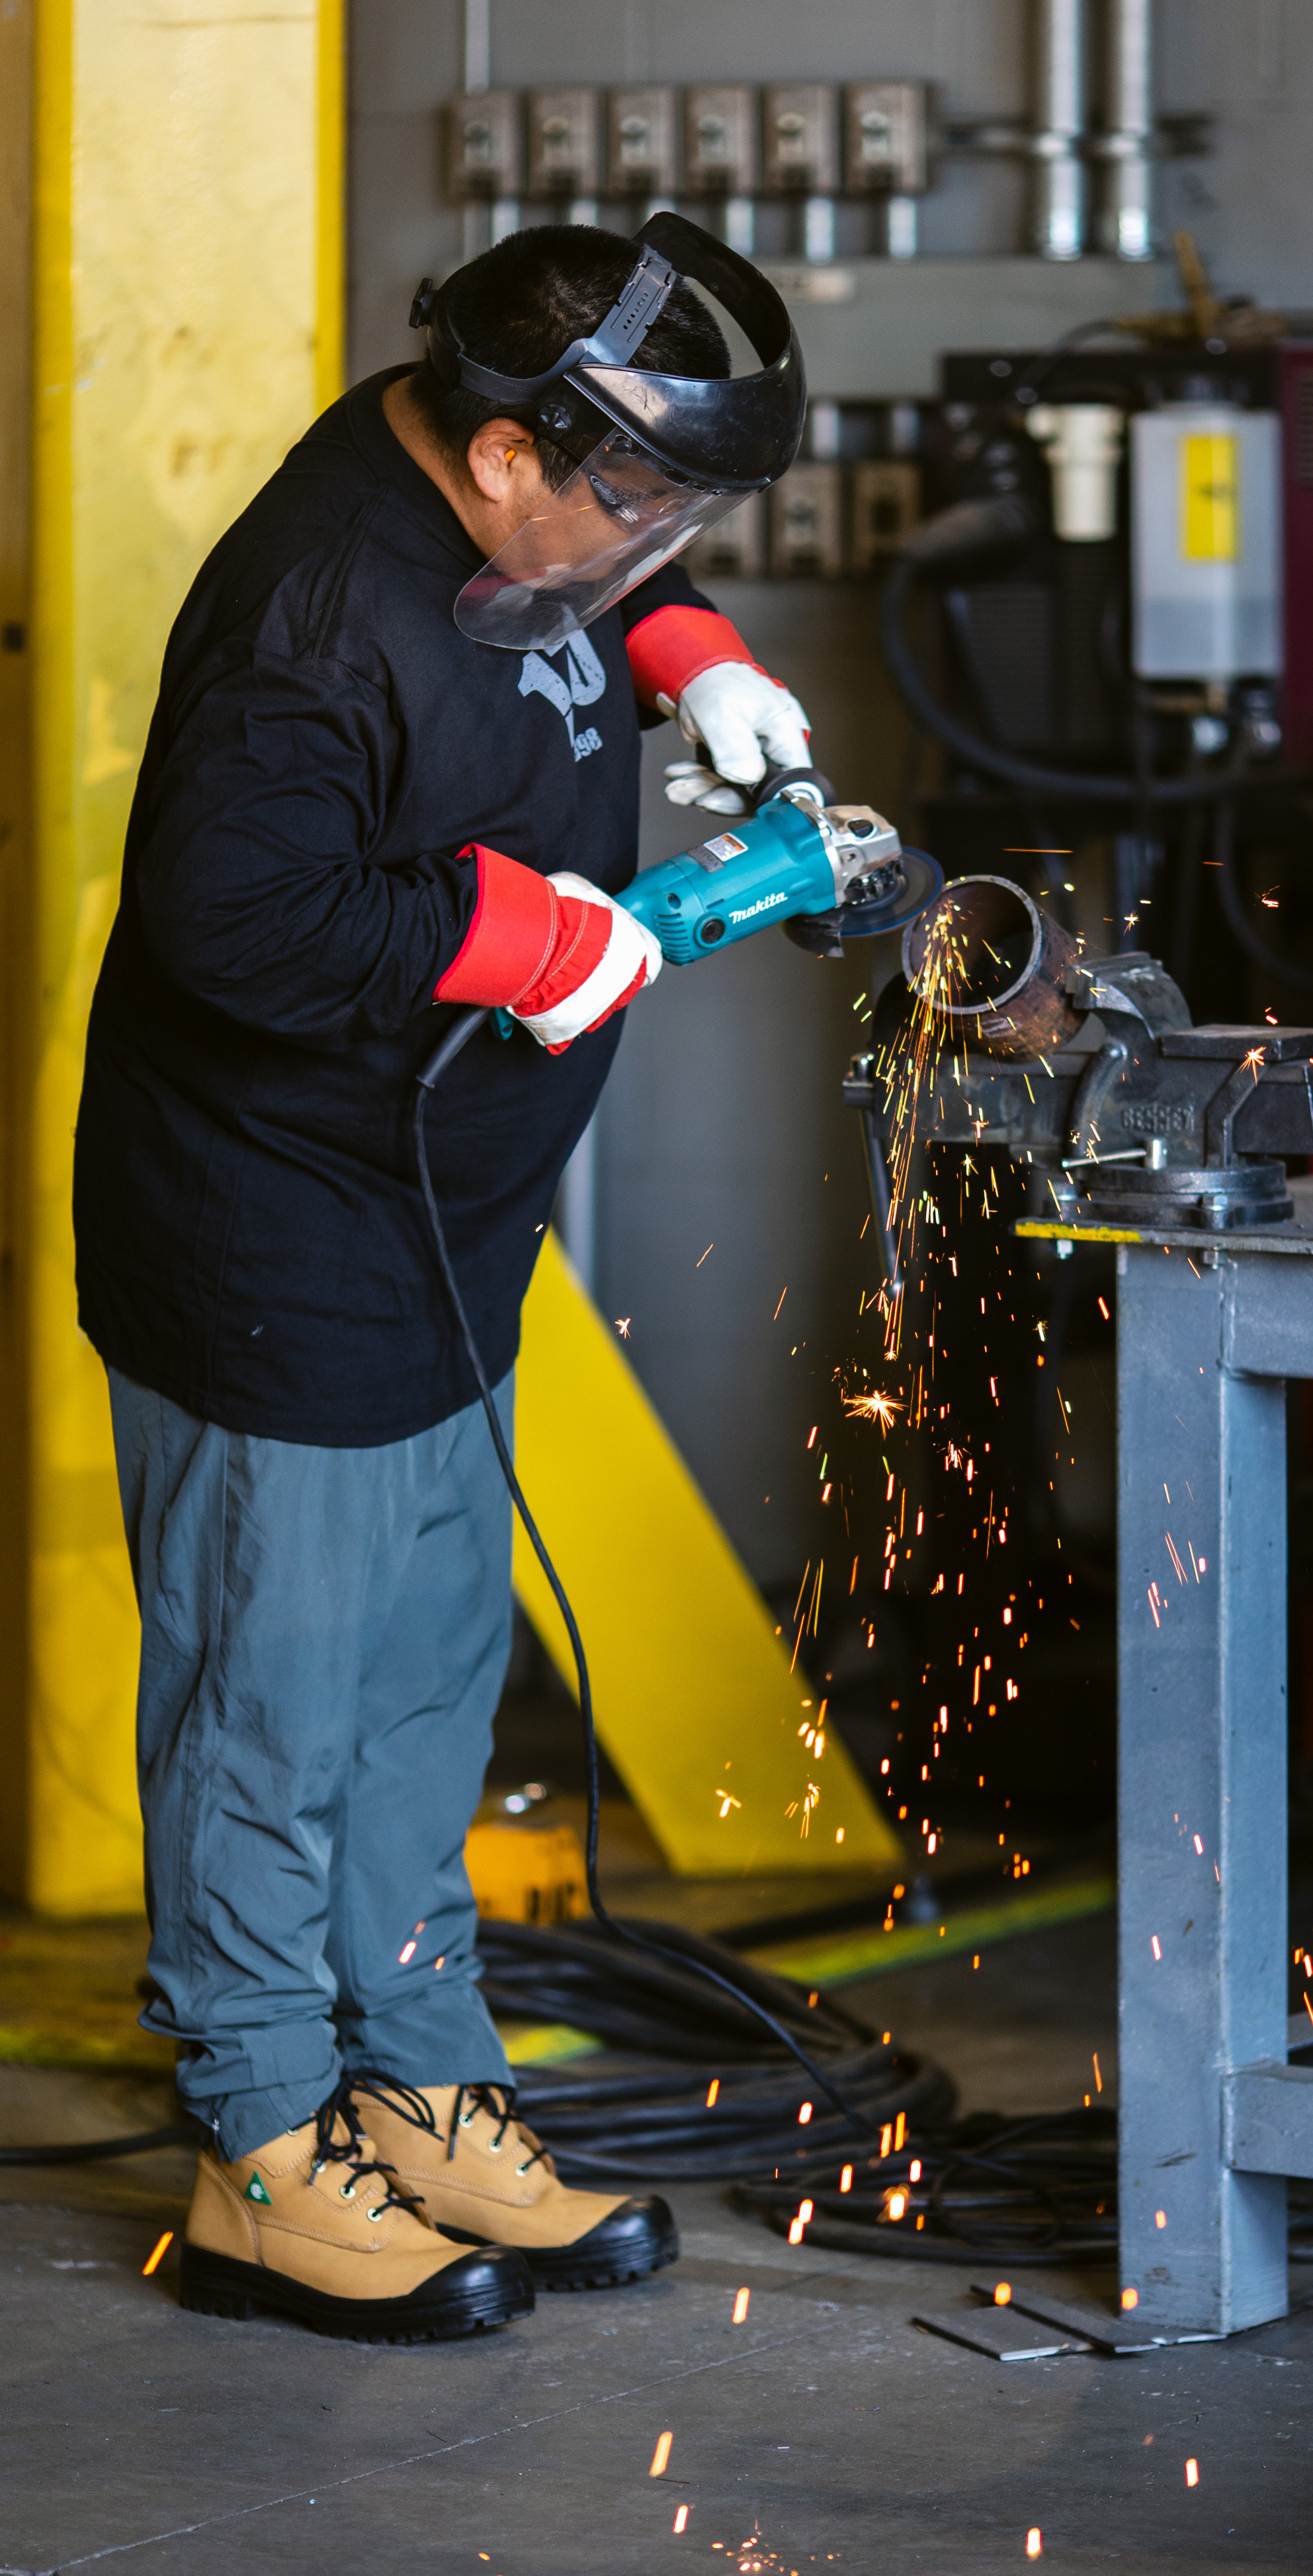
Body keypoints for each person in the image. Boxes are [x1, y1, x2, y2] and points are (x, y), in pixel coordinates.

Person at [71, 219, 812, 2344]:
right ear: (504, 455)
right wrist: (544, 940)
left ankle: (417, 2086)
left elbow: (588, 585)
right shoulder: (318, 609)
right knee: (271, 1708)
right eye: (637, 503)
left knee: (416, 1683)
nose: (652, 539)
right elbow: (239, 916)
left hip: (441, 1225)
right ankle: (257, 2147)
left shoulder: (486, 500)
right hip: (274, 1234)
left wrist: (697, 656)